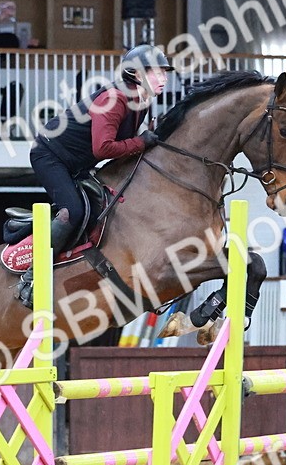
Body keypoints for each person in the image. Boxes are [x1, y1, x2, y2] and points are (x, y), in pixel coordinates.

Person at [15, 44, 174, 308]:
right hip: (50, 155)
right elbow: (103, 147)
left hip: (79, 162)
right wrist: (141, 143)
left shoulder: (142, 100)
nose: (165, 79)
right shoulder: (114, 99)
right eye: (157, 72)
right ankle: (31, 277)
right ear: (136, 74)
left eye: (165, 73)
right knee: (73, 212)